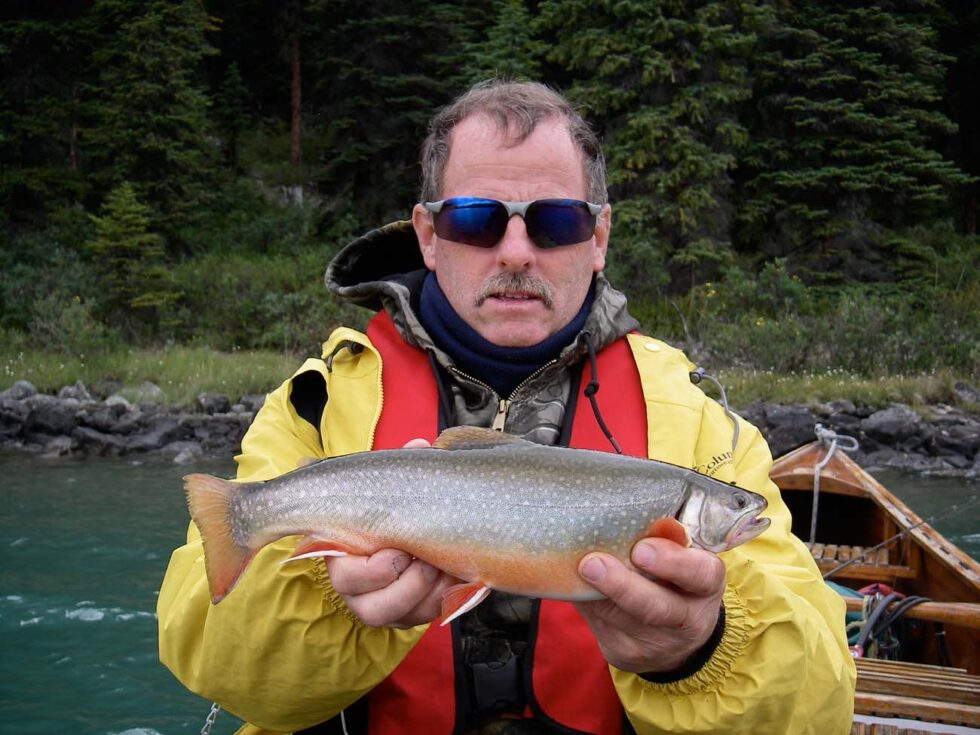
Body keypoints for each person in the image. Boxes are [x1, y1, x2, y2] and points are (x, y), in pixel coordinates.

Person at [158, 80, 855, 735]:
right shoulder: (317, 404)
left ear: (600, 236)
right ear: (428, 235)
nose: (516, 250)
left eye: (555, 221)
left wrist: (699, 649)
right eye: (475, 219)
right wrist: (337, 603)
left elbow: (821, 703)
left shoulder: (701, 426)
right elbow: (210, 656)